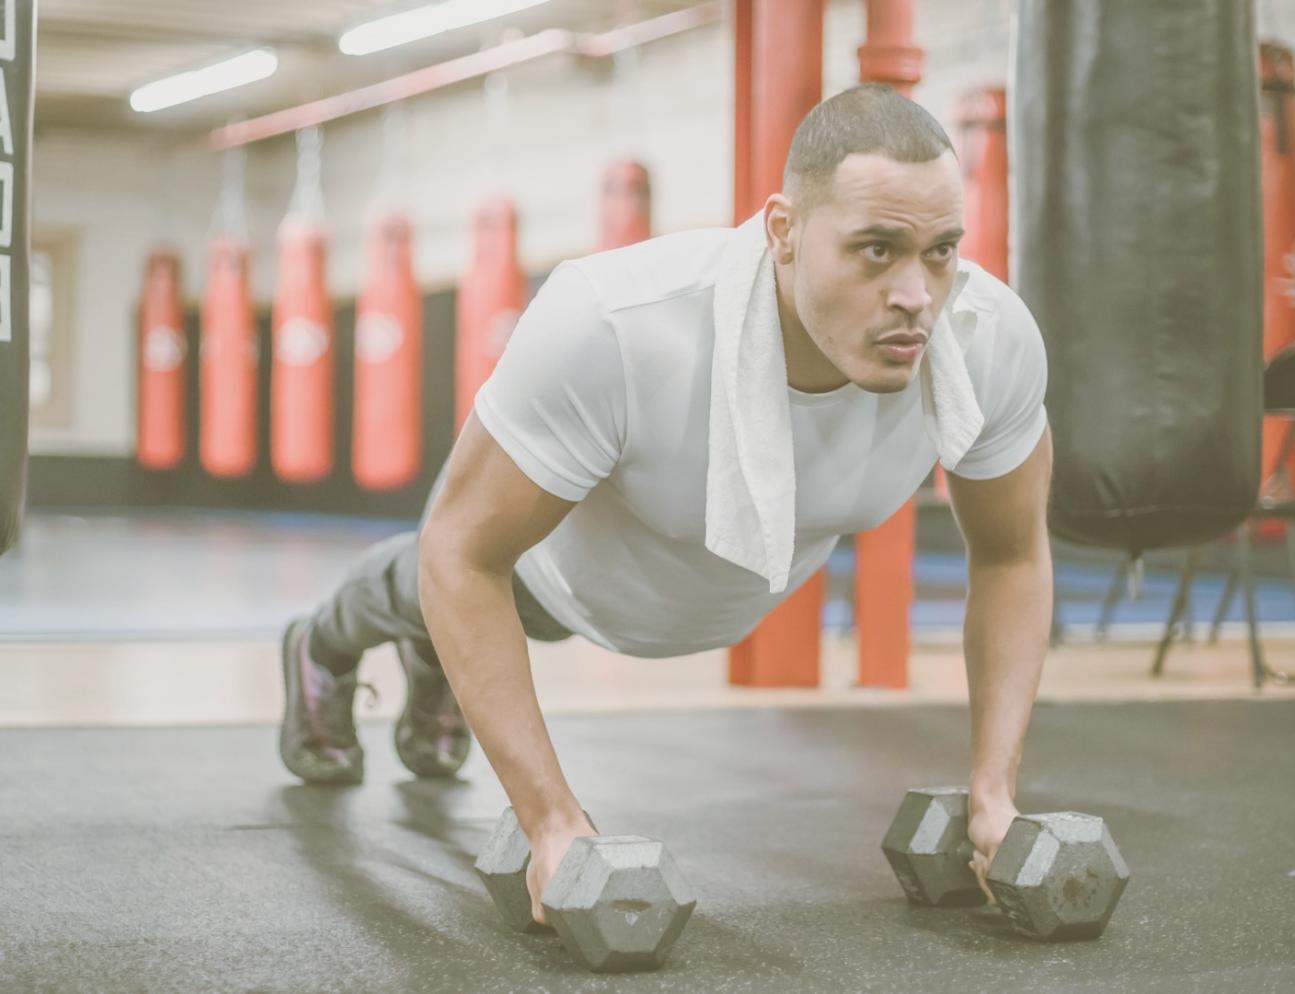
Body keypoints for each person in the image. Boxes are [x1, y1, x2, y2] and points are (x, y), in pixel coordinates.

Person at [279, 83, 1052, 925]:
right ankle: (320, 646)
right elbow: (460, 556)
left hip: (710, 594)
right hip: (555, 574)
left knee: (447, 615)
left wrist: (994, 794)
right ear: (783, 232)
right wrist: (552, 824)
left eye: (941, 250)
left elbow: (1012, 554)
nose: (918, 294)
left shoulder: (987, 340)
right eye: (876, 250)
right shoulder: (617, 324)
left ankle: (438, 663)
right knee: (423, 582)